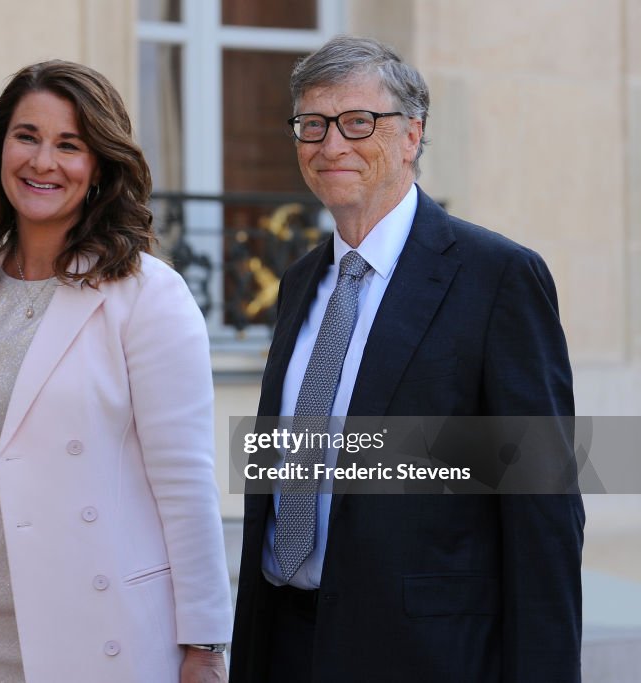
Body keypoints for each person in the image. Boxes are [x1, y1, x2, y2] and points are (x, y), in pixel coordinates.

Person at [0, 60, 233, 683]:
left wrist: (206, 646)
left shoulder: (147, 294)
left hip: (106, 634)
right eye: (27, 136)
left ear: (100, 166)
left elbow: (187, 482)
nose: (43, 162)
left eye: (69, 145)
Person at [229, 36, 584, 682]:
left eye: (358, 122)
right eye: (312, 125)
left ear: (411, 135)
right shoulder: (299, 282)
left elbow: (543, 513)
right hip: (283, 643)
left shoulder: (498, 278)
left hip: (424, 658)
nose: (331, 144)